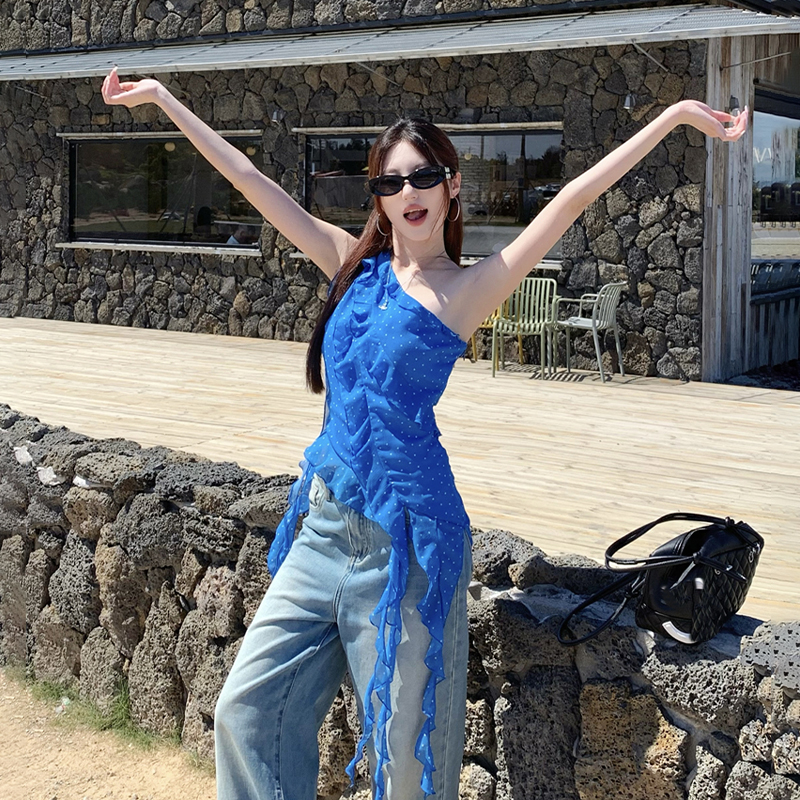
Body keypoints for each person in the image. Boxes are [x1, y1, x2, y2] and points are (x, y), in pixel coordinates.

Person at [101, 67, 747, 800]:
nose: (408, 192)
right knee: (246, 714)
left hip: (409, 547)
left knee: (406, 765)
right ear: (377, 197)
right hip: (322, 529)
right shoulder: (351, 265)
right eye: (390, 181)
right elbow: (250, 179)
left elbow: (573, 197)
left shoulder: (466, 289)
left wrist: (674, 115)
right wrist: (163, 99)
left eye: (424, 177)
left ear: (451, 187)